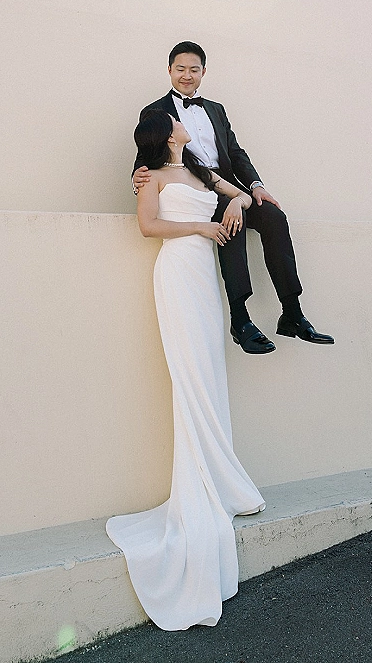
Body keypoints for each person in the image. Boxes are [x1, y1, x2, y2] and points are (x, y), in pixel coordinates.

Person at [106, 109, 266, 631]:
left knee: (211, 372)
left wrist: (238, 202)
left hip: (203, 275)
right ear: (163, 133)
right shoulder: (150, 177)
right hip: (177, 270)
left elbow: (235, 191)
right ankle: (200, 483)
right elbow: (148, 225)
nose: (183, 123)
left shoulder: (197, 167)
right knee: (191, 374)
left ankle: (221, 477)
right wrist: (202, 224)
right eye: (176, 122)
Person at [133, 41, 334, 353]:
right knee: (232, 224)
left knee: (273, 216)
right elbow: (146, 152)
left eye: (194, 70)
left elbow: (236, 153)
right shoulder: (155, 111)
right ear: (170, 70)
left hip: (226, 183)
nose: (187, 75)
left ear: (203, 72)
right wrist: (137, 176)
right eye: (181, 69)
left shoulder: (216, 109)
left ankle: (292, 312)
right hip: (194, 185)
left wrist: (255, 186)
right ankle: (240, 319)